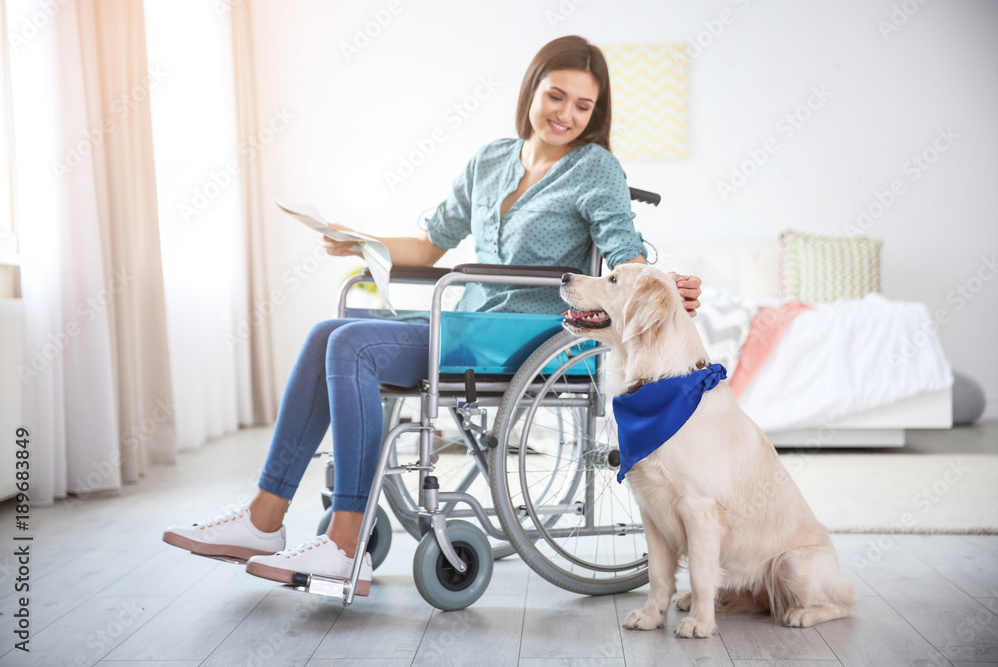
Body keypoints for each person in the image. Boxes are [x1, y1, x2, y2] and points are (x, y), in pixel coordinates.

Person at [163, 35, 703, 593]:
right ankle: (263, 518)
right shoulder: (491, 159)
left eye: (582, 106)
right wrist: (359, 241)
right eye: (555, 96)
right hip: (469, 323)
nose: (565, 114)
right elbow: (430, 245)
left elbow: (624, 252)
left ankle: (345, 545)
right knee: (328, 331)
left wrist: (661, 288)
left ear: (596, 113)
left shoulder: (595, 168)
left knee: (352, 346)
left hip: (527, 335)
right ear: (532, 91)